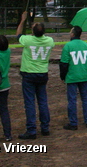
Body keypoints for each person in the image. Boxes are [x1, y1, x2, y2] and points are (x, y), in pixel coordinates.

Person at [17, 11, 55, 139]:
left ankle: (32, 130)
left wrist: (22, 20)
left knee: (30, 102)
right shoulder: (50, 41)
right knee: (43, 101)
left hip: (29, 74)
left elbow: (18, 35)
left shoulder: (28, 40)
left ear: (33, 31)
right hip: (42, 74)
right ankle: (45, 128)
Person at [59, 25, 87, 130]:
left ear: (73, 33)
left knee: (72, 100)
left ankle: (73, 122)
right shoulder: (86, 45)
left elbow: (64, 63)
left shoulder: (68, 46)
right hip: (83, 76)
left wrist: (63, 76)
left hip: (72, 76)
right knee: (85, 99)